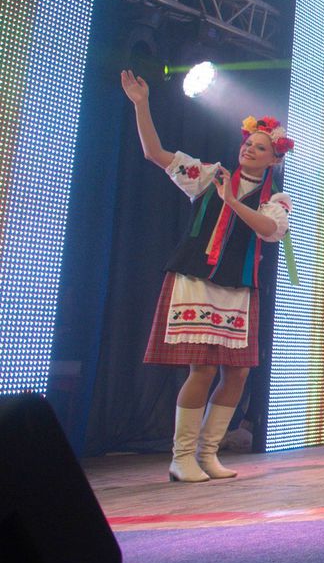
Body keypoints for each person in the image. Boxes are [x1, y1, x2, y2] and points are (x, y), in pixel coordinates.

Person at [121, 70, 294, 482]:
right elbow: (155, 153)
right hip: (198, 278)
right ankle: (181, 457)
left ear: (274, 159)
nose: (250, 149)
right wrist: (141, 104)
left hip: (238, 287)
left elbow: (270, 230)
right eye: (248, 143)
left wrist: (231, 201)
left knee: (238, 372)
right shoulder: (210, 175)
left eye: (260, 147)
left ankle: (208, 453)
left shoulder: (275, 198)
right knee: (202, 368)